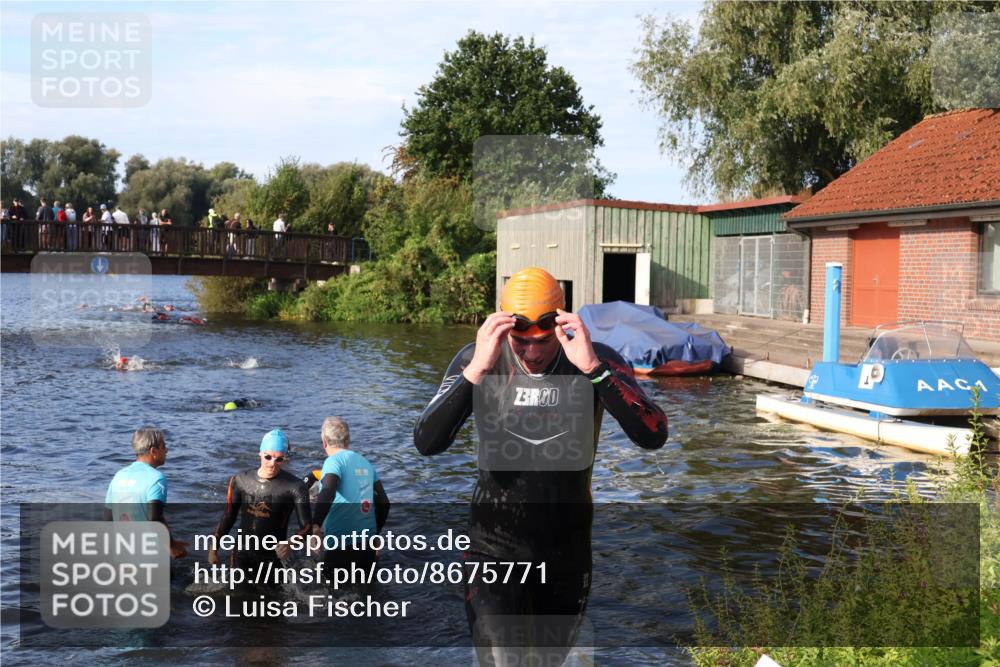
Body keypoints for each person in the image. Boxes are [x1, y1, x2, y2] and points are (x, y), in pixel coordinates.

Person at [413, 267, 668, 666]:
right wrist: (476, 371)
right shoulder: (478, 359)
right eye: (521, 342)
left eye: (543, 342)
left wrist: (594, 370)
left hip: (565, 552)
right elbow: (427, 442)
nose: (532, 354)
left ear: (561, 324)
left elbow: (654, 435)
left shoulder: (595, 359)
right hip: (492, 550)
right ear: (503, 328)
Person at [207, 429, 311, 574]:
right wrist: (213, 549)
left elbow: (307, 528)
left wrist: (290, 543)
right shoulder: (241, 480)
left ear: (285, 458)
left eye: (279, 459)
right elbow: (228, 517)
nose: (272, 463)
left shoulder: (295, 486)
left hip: (273, 556)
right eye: (268, 457)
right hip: (242, 553)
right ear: (260, 453)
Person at [309, 417, 390, 572]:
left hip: (340, 546)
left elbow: (328, 491)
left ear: (324, 441)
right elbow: (384, 504)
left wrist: (316, 524)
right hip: (367, 547)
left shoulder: (333, 462)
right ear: (348, 440)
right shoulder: (365, 462)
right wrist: (375, 535)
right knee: (366, 585)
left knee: (331, 586)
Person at [104, 428, 188, 559]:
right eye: (163, 446)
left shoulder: (119, 476)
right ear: (153, 451)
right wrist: (171, 546)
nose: (167, 450)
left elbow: (108, 518)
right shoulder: (156, 478)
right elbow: (154, 517)